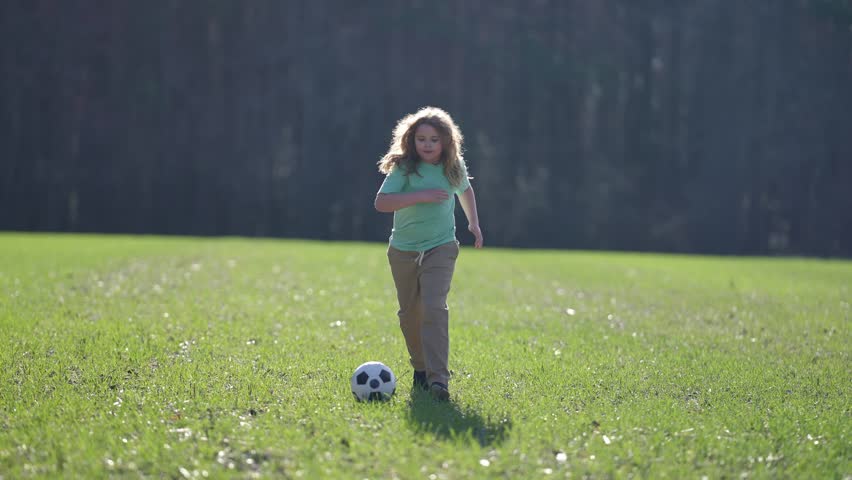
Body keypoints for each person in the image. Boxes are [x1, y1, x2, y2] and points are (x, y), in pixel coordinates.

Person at [374, 106, 483, 401]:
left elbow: (465, 189)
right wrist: (420, 196)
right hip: (404, 251)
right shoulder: (404, 168)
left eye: (434, 139)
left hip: (441, 247)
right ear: (411, 140)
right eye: (421, 139)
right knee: (410, 315)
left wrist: (473, 222)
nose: (428, 145)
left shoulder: (453, 166)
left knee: (434, 308)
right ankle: (420, 368)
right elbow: (382, 203)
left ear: (446, 141)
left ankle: (439, 381)